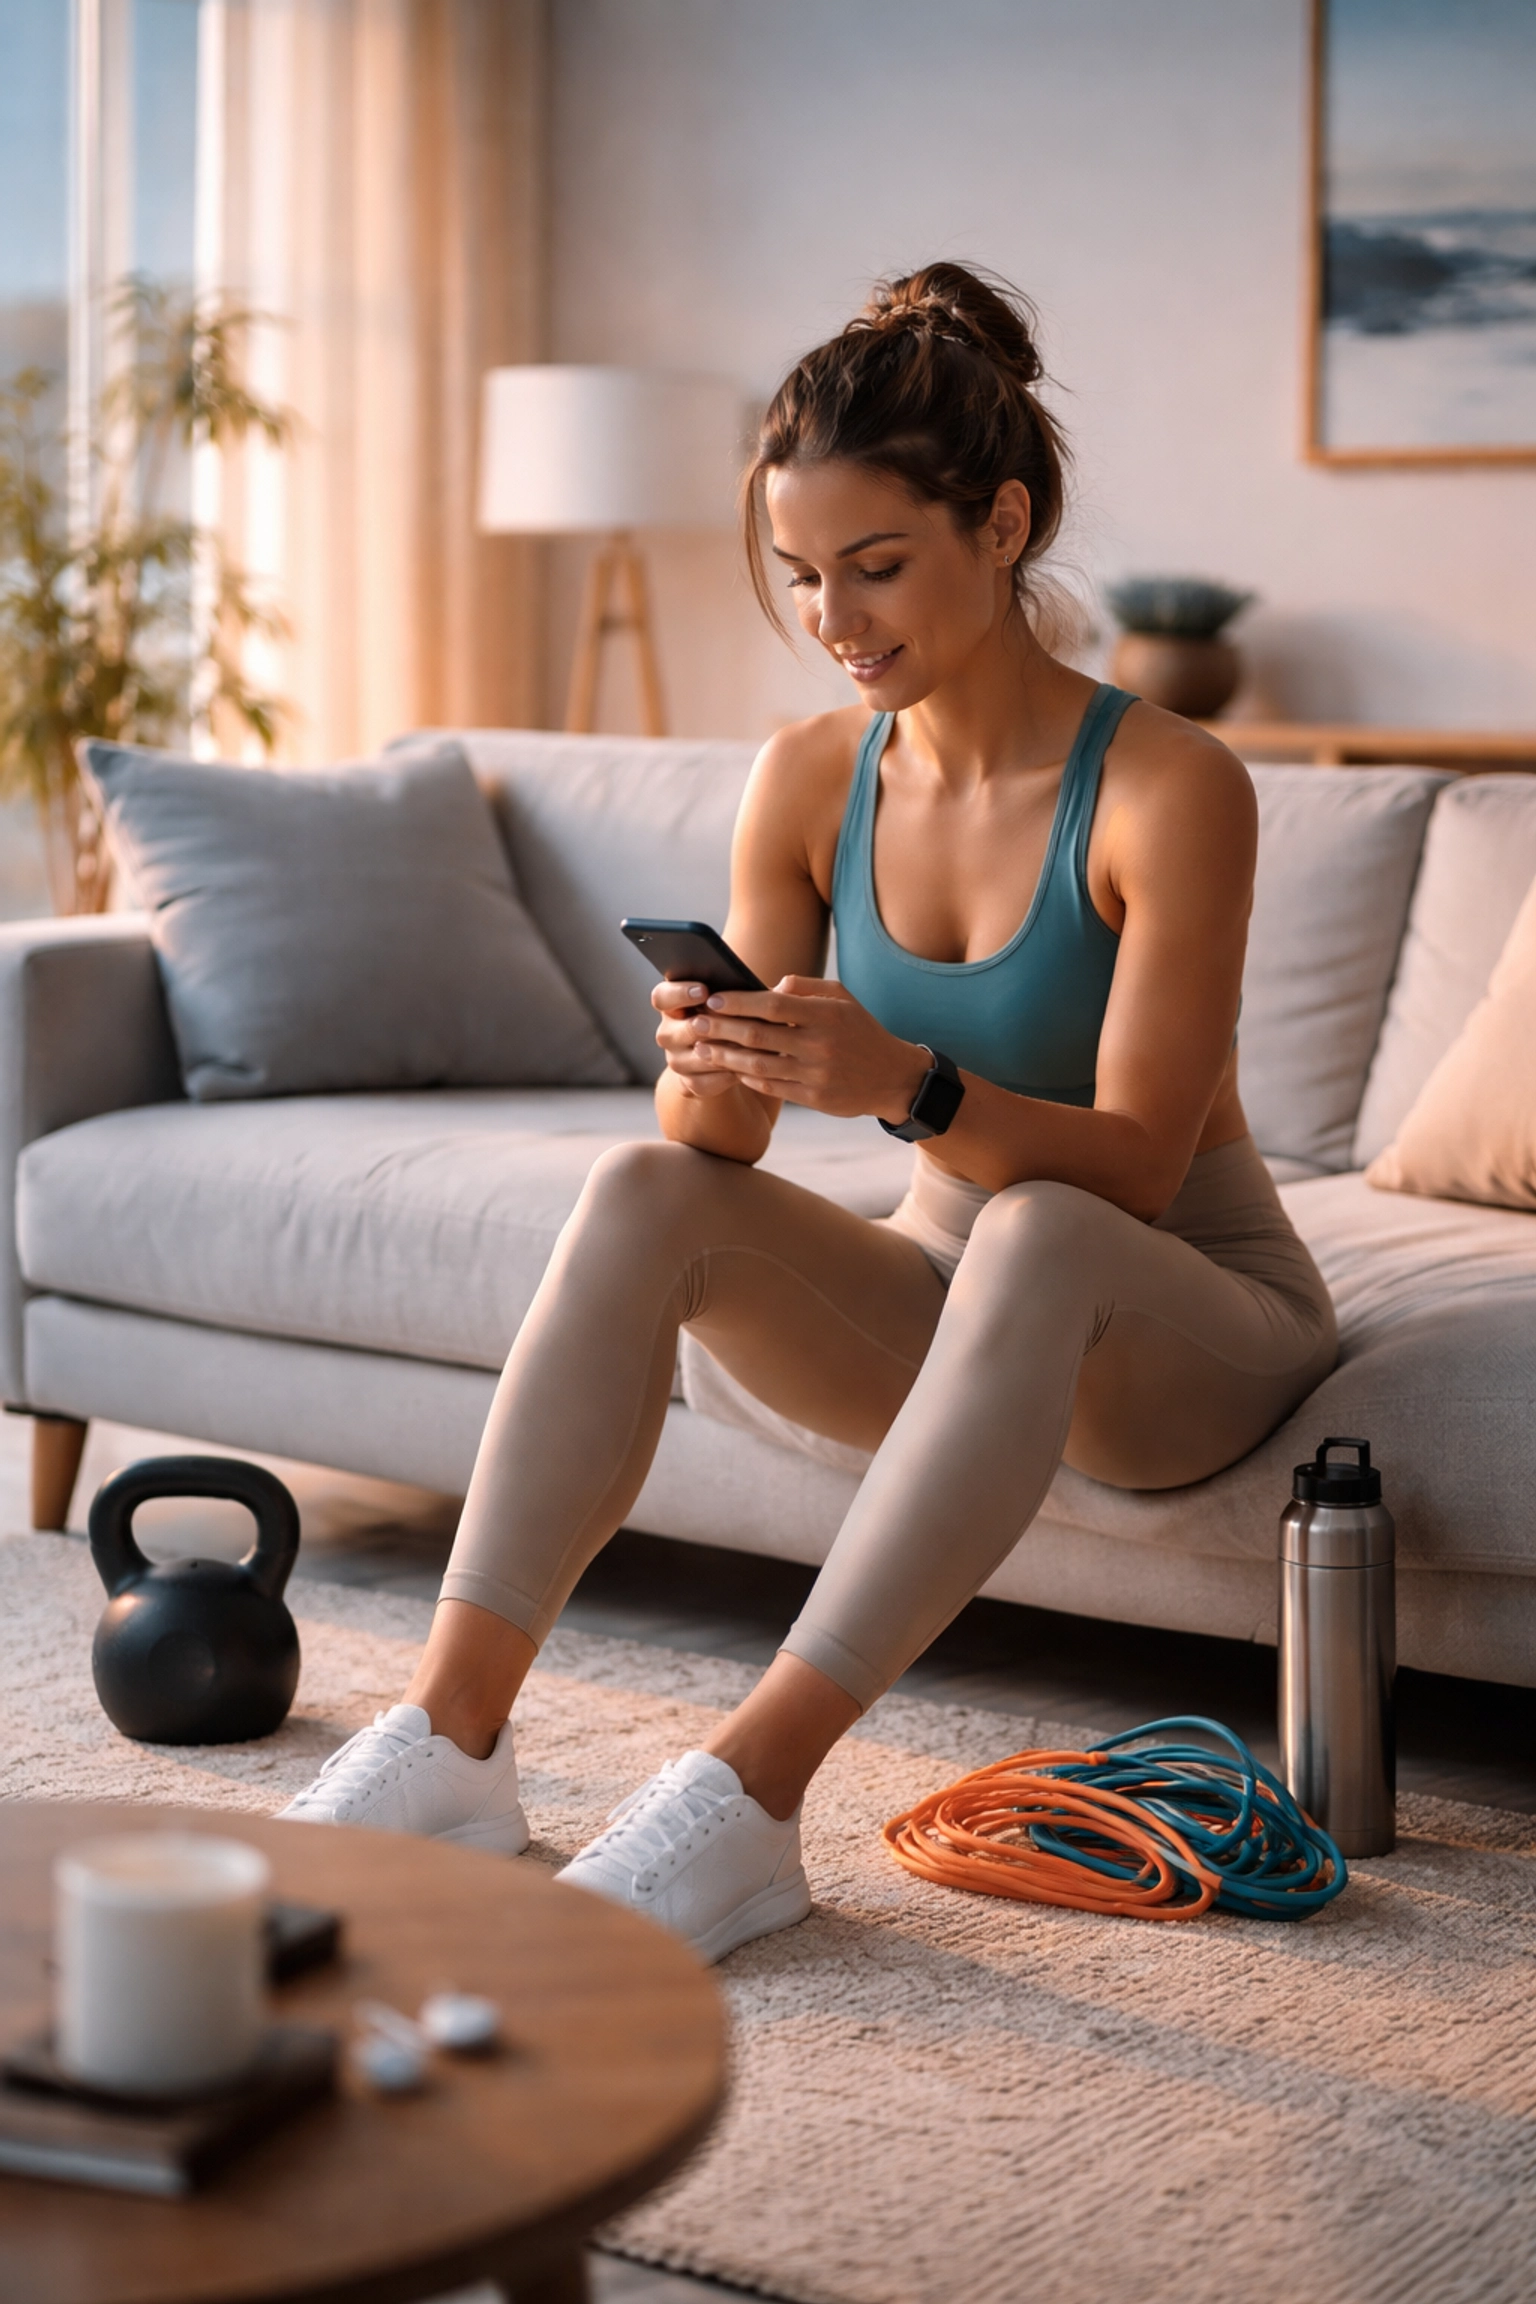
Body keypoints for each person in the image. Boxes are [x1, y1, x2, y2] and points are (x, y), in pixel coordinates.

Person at [281, 263, 1337, 1963]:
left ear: (1001, 527)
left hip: (1177, 1321)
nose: (836, 620)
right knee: (637, 1192)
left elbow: (1140, 1166)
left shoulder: (1166, 785)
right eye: (801, 578)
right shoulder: (805, 776)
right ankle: (449, 1741)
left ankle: (750, 1798)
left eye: (877, 567)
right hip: (951, 1306)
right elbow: (715, 1165)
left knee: (1049, 1232)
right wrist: (711, 1050)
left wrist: (907, 1085)